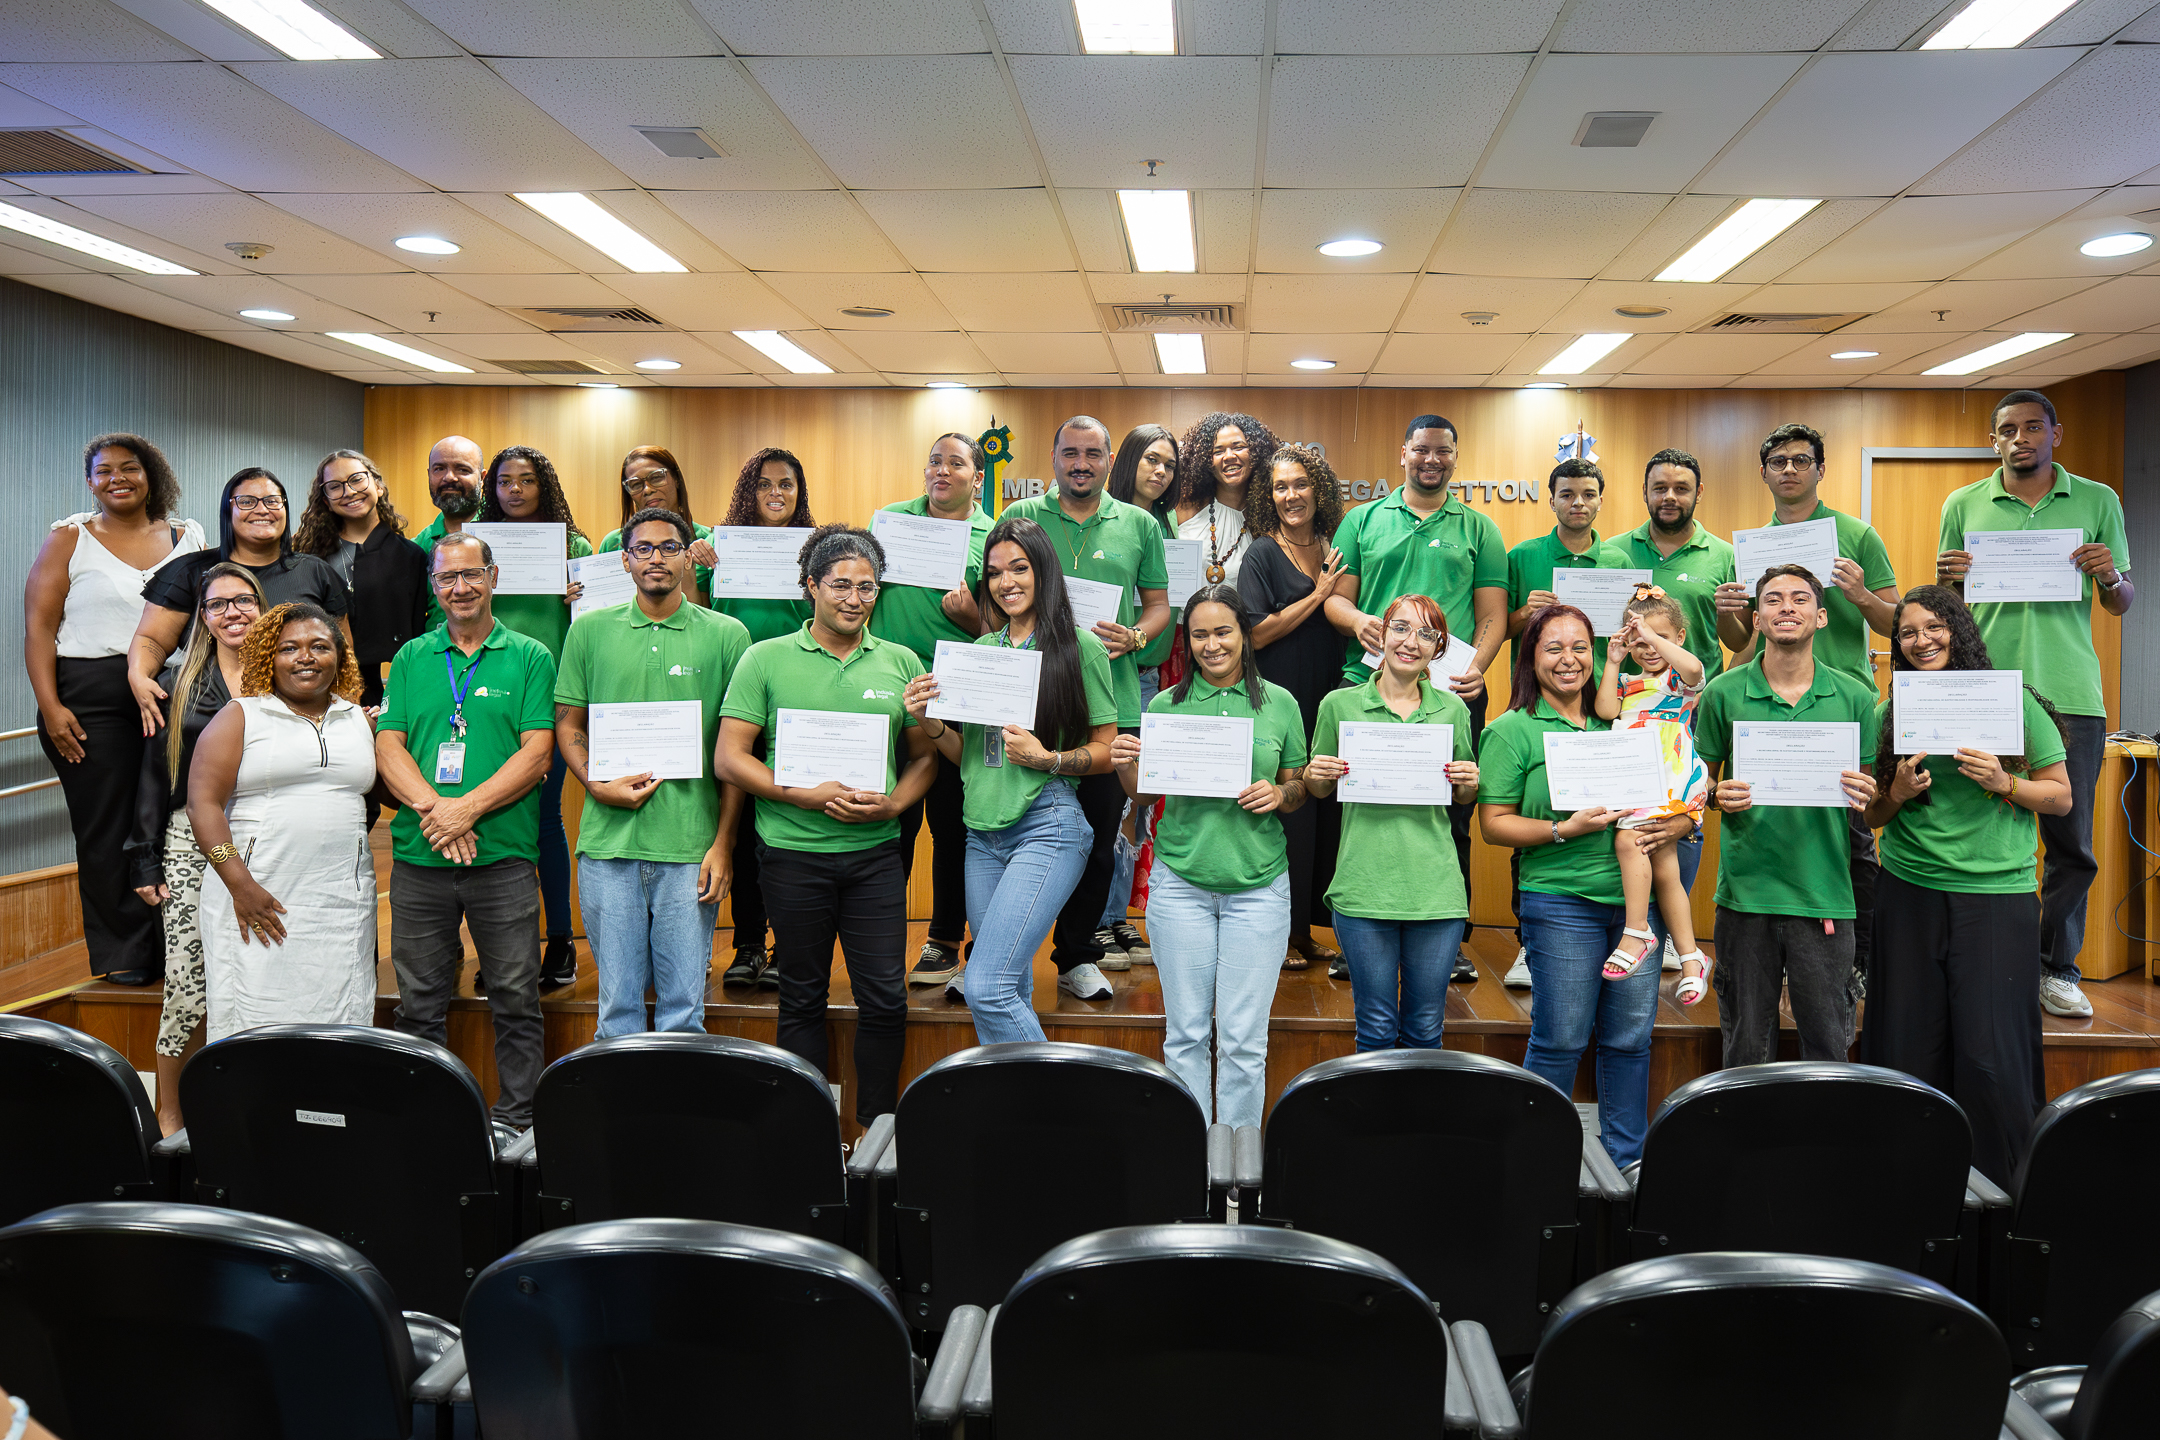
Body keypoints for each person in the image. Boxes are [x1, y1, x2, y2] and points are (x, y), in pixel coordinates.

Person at [718, 525, 934, 1123]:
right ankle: (806, 1131)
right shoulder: (764, 658)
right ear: (810, 585)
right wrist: (800, 796)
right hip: (791, 855)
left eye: (868, 587)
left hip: (876, 860)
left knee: (886, 1002)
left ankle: (877, 1133)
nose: (854, 598)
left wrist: (894, 807)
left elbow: (921, 758)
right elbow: (729, 757)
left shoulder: (901, 662)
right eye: (840, 584)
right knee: (802, 999)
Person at [1861, 586, 2070, 1184]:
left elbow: (2059, 797)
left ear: (1960, 630)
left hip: (1995, 897)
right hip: (1909, 891)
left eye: (1934, 627)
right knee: (1906, 1047)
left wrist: (2005, 782)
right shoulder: (1892, 710)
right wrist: (1895, 794)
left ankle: (2003, 1192)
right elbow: (1874, 816)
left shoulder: (2013, 702)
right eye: (1907, 632)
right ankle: (1904, 1184)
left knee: (1991, 1058)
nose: (1921, 640)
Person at [1937, 389, 2133, 1020]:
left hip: (2071, 693)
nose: (2018, 439)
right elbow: (1949, 610)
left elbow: (2121, 602)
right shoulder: (1963, 504)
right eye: (2005, 431)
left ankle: (2057, 967)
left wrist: (2109, 575)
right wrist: (1950, 579)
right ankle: (1988, 961)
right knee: (1983, 826)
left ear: (2055, 433)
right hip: (1985, 689)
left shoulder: (2099, 501)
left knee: (2070, 842)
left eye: (2030, 428)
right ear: (1994, 440)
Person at [1477, 604, 1694, 1168]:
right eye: (1553, 648)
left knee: (1629, 1040)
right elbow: (1494, 824)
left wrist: (1684, 819)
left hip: (1633, 913)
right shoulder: (1511, 730)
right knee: (1563, 1036)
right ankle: (1532, 1158)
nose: (1569, 659)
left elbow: (1682, 781)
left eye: (1580, 647)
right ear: (1531, 658)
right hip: (1559, 902)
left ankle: (1628, 1160)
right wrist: (1560, 829)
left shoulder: (1620, 715)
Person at [901, 516, 1116, 1040]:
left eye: (1019, 568)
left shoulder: (1079, 648)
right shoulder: (980, 654)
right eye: (995, 573)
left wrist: (1049, 760)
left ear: (1043, 570)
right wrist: (931, 725)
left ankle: (1056, 1117)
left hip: (1048, 825)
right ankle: (1018, 1115)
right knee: (1009, 986)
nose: (1007, 582)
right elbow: (967, 754)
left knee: (986, 985)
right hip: (982, 835)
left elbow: (1109, 750)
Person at [376, 533, 557, 1141]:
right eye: (448, 578)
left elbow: (537, 752)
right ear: (434, 585)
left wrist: (468, 810)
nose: (460, 588)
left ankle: (517, 1120)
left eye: (472, 575)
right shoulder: (411, 659)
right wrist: (437, 810)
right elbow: (389, 743)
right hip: (419, 857)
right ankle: (433, 1117)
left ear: (494, 576)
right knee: (420, 1002)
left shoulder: (531, 655)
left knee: (514, 995)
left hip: (502, 856)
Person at [1110, 585, 1308, 1127]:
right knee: (1186, 1035)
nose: (1212, 645)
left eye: (1223, 632)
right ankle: (1191, 1167)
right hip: (1181, 888)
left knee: (1244, 1042)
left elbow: (1297, 788)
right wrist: (1127, 765)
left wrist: (1279, 794)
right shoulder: (1164, 705)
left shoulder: (1281, 703)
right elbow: (1146, 795)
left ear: (1244, 634)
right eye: (1199, 634)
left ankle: (1239, 1175)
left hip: (1259, 889)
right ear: (1187, 640)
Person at [557, 508, 750, 1038]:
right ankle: (617, 1123)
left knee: (684, 1010)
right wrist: (595, 783)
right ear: (624, 560)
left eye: (670, 547)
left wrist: (723, 844)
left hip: (691, 846)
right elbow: (568, 721)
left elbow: (735, 753)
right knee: (616, 1007)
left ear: (689, 556)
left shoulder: (729, 635)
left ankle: (677, 1122)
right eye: (643, 549)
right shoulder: (590, 630)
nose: (656, 559)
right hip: (607, 846)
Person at [1326, 415, 1505, 982]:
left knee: (1452, 812)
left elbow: (1494, 615)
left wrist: (1477, 669)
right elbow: (1335, 601)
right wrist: (1359, 622)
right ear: (1403, 452)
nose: (1432, 460)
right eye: (1422, 450)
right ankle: (1355, 938)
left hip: (1449, 692)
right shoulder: (1362, 519)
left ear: (1456, 457)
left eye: (1443, 452)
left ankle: (1449, 939)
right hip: (1366, 688)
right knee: (1358, 809)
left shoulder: (1480, 529)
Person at [25, 433, 205, 984]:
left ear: (151, 474)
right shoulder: (69, 539)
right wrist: (50, 707)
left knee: (161, 820)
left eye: (129, 468)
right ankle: (124, 953)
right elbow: (38, 626)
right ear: (89, 481)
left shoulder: (188, 535)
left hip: (167, 689)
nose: (117, 479)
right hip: (87, 694)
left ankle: (172, 946)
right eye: (104, 472)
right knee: (105, 825)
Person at [1002, 417, 1172, 993]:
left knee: (1101, 836)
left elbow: (1159, 607)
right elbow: (992, 598)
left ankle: (1076, 954)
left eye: (1093, 453)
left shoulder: (1140, 524)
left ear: (1107, 461)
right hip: (1028, 705)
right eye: (1070, 452)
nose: (1081, 463)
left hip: (1111, 702)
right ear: (1052, 457)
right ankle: (1000, 954)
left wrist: (1138, 636)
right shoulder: (1018, 520)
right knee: (1009, 826)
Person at [1695, 565, 1881, 1067]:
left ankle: (1823, 1148)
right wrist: (1716, 795)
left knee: (1828, 1048)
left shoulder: (1857, 698)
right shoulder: (1723, 693)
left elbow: (1870, 802)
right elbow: (1697, 786)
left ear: (1821, 617)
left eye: (1800, 600)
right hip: (1745, 896)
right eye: (1773, 600)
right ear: (1755, 619)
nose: (1787, 608)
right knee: (1745, 1050)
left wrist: (1868, 790)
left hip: (1825, 897)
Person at [1742, 423, 1898, 987]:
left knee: (1852, 837)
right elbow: (1739, 642)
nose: (1789, 469)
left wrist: (1857, 594)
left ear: (1820, 470)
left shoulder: (1857, 534)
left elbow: (1894, 620)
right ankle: (1781, 953)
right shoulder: (1752, 546)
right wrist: (1732, 609)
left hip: (1842, 703)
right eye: (1778, 461)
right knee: (1779, 831)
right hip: (1770, 701)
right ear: (1763, 472)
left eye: (1801, 460)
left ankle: (1856, 962)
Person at [187, 602, 377, 1041]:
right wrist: (240, 885)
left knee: (338, 1024)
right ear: (268, 657)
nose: (305, 657)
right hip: (258, 893)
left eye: (319, 646)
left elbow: (385, 790)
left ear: (340, 656)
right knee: (255, 1024)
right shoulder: (241, 715)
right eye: (289, 648)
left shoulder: (356, 719)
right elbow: (202, 805)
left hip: (339, 902)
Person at [1301, 594, 1476, 1052]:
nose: (1410, 642)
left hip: (1435, 891)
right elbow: (1318, 789)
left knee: (1425, 1029)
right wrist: (1314, 775)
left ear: (1438, 648)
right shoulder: (1339, 705)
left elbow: (1463, 798)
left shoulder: (1453, 711)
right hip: (1364, 886)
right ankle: (1376, 1127)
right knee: (1375, 1027)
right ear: (1382, 633)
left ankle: (1416, 1127)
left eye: (1426, 634)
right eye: (1400, 628)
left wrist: (1468, 781)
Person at [125, 563, 260, 1134]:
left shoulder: (292, 669)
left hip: (266, 835)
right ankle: (172, 1117)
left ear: (262, 604)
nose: (232, 612)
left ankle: (252, 1107)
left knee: (258, 975)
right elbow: (155, 775)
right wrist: (143, 855)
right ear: (202, 617)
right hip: (189, 843)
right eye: (218, 604)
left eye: (243, 600)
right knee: (187, 978)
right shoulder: (179, 682)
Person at [1499, 455, 1630, 988]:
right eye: (1568, 494)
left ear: (1600, 500)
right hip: (1536, 708)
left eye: (1588, 495)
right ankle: (1528, 945)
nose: (1578, 503)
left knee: (1612, 819)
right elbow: (1502, 625)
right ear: (1550, 500)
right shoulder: (1524, 555)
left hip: (1604, 711)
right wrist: (1524, 615)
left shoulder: (1621, 561)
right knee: (1531, 810)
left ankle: (1633, 926)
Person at [874, 433, 991, 990]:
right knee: (891, 823)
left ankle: (943, 940)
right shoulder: (890, 522)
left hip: (958, 699)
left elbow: (1013, 630)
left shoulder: (993, 537)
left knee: (951, 826)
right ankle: (879, 938)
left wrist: (973, 619)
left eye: (956, 463)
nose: (942, 471)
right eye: (934, 462)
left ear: (978, 477)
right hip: (890, 693)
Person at [473, 445, 590, 989]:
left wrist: (577, 600)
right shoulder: (473, 546)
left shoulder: (573, 546)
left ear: (544, 486)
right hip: (481, 695)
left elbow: (591, 627)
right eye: (504, 482)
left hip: (548, 697)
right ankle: (501, 953)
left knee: (544, 821)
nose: (515, 490)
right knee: (489, 815)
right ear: (490, 489)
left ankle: (561, 940)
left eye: (526, 481)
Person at [128, 467, 350, 735]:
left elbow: (342, 650)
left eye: (272, 500)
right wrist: (139, 675)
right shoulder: (189, 572)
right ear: (227, 511)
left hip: (297, 718)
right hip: (202, 715)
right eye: (247, 501)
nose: (262, 510)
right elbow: (152, 640)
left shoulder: (315, 572)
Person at [1238, 442, 1348, 972]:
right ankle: (1277, 933)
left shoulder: (1333, 544)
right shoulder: (1262, 551)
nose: (1290, 495)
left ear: (1318, 488)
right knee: (1289, 813)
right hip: (1280, 695)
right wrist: (1318, 594)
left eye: (1300, 484)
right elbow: (1255, 633)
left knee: (1324, 812)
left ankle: (1303, 930)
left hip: (1330, 693)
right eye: (1280, 486)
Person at [711, 446, 816, 989]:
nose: (776, 494)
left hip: (798, 702)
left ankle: (784, 946)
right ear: (748, 491)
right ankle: (748, 941)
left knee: (786, 831)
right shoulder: (717, 548)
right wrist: (697, 572)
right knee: (743, 824)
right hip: (736, 704)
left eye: (787, 485)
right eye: (765, 484)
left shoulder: (816, 551)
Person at [1592, 587, 1711, 1000]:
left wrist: (1650, 633)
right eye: (1639, 641)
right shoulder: (1628, 681)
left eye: (1659, 637)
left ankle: (1637, 931)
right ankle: (1691, 956)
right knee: (1665, 869)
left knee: (1629, 839)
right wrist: (1612, 661)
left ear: (1678, 637)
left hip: (1670, 770)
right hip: (1635, 771)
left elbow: (1696, 667)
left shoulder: (1679, 679)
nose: (1648, 648)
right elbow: (1606, 710)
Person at [1095, 422, 1181, 969]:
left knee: (1136, 805)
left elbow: (1162, 606)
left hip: (1150, 677)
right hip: (1094, 678)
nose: (1160, 471)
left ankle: (1116, 919)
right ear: (1126, 460)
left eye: (1169, 465)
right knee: (1104, 803)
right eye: (1151, 459)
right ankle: (1098, 921)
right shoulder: (1107, 521)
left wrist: (1140, 636)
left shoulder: (1163, 526)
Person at [291, 448, 429, 707]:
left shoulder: (412, 557)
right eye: (335, 486)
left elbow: (416, 637)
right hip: (317, 684)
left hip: (390, 690)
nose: (349, 492)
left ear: (377, 485)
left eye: (357, 479)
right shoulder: (307, 556)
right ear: (325, 500)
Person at [1610, 447, 1748, 681]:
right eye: (1660, 488)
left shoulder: (1728, 556)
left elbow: (1740, 643)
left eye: (1681, 489)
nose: (1670, 497)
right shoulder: (1614, 552)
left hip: (1697, 704)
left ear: (1699, 492)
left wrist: (1725, 615)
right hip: (1630, 699)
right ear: (1645, 492)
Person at [598, 445, 717, 605]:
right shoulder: (613, 544)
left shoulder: (708, 540)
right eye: (635, 484)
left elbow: (709, 617)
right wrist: (578, 596)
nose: (647, 490)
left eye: (656, 478)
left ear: (676, 479)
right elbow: (601, 603)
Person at [1175, 411, 1276, 592]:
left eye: (1238, 447)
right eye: (1218, 451)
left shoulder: (1269, 519)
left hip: (1244, 620)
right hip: (1183, 619)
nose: (1228, 456)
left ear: (1256, 453)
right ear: (1205, 461)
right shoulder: (1184, 509)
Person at [412, 434, 487, 630]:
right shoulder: (416, 547)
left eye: (462, 469)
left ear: (482, 478)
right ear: (429, 474)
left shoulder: (510, 536)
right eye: (439, 469)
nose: (449, 477)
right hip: (438, 657)